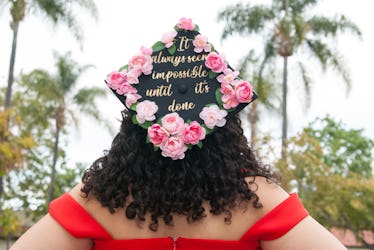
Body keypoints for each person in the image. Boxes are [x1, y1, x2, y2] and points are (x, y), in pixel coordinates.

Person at [10, 17, 346, 250]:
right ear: (227, 134)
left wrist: (95, 184)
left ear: (134, 131)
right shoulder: (255, 201)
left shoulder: (98, 202)